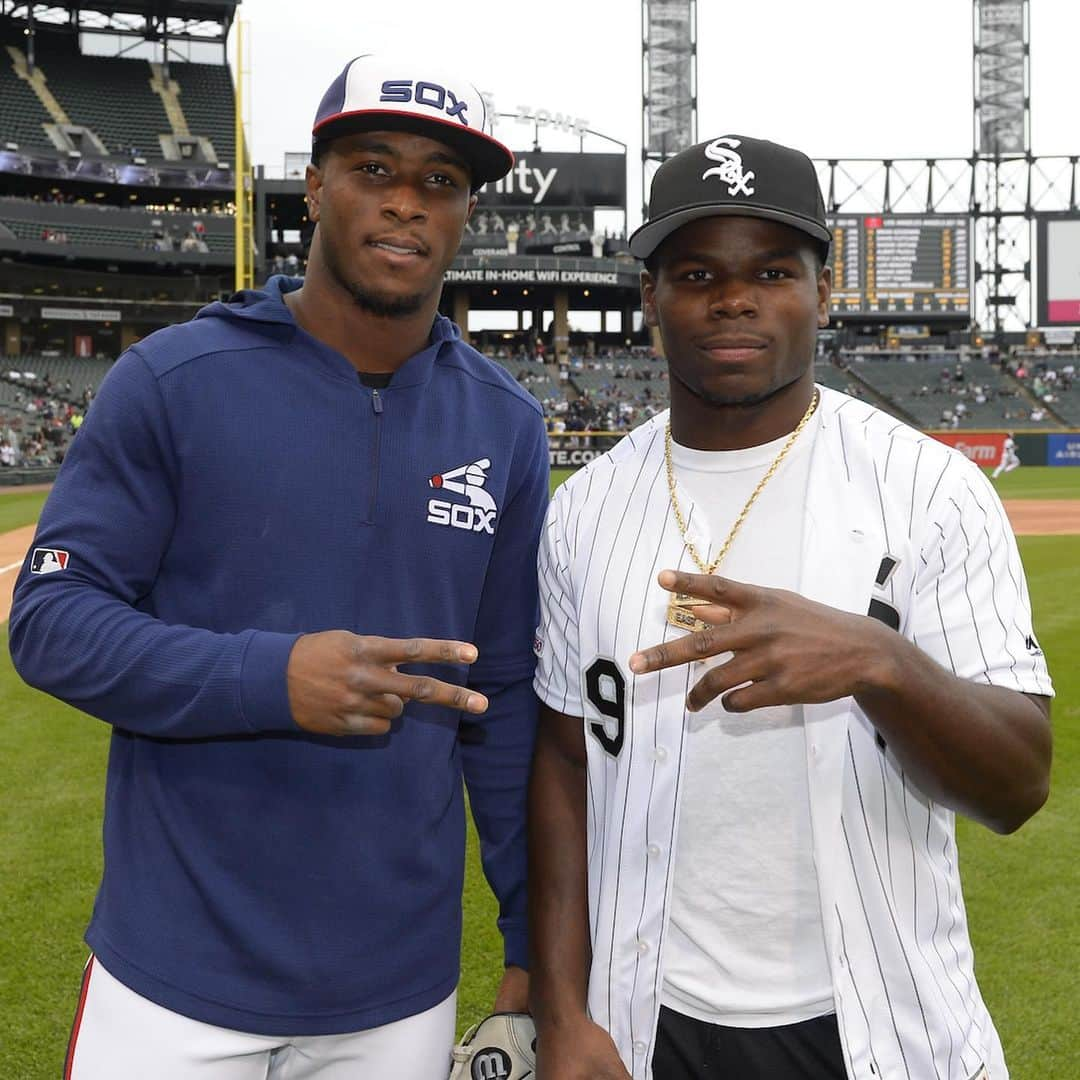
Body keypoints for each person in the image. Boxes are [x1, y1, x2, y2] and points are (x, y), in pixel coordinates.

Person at [10, 52, 548, 1079]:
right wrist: (271, 677)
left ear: (466, 211)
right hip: (173, 975)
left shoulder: (506, 425)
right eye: (373, 168)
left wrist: (527, 945)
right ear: (314, 184)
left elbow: (505, 700)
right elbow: (50, 620)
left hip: (398, 991)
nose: (404, 203)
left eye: (440, 181)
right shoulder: (172, 379)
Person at [527, 135, 1053, 1080]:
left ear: (822, 289)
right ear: (651, 296)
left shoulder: (929, 491)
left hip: (881, 1025)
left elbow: (1018, 788)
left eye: (773, 270)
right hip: (645, 1021)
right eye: (696, 273)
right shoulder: (585, 510)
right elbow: (565, 762)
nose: (734, 298)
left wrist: (880, 663)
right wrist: (562, 1012)